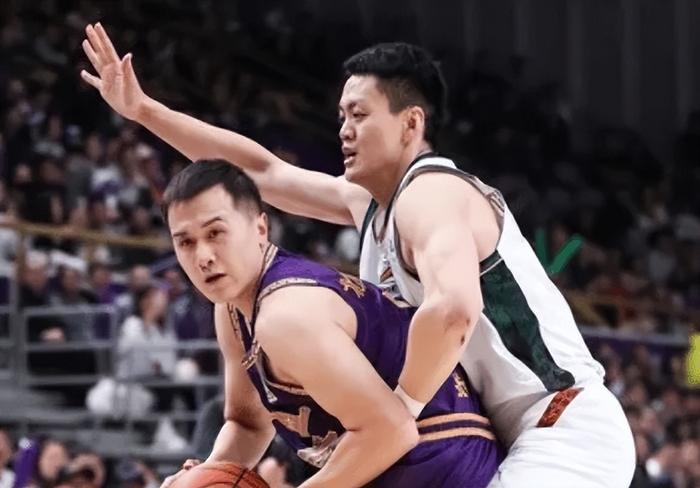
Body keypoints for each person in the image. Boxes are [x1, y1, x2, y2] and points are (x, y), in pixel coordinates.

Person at [81, 24, 635, 487]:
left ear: (411, 123)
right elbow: (261, 172)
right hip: (502, 435)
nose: (343, 130)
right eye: (341, 116)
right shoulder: (372, 205)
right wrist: (145, 111)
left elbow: (453, 311)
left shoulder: (433, 194)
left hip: (559, 422)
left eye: (360, 115)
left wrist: (398, 413)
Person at [159, 160, 501, 488]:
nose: (203, 257)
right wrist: (204, 476)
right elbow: (248, 423)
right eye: (185, 242)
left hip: (445, 466)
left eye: (215, 233)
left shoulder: (285, 316)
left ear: (260, 228)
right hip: (398, 465)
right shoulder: (232, 308)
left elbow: (392, 431)